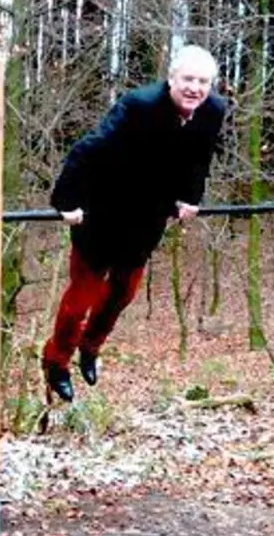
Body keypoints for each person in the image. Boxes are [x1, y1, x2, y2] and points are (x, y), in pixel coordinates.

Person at [40, 44, 229, 403]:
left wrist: (191, 197)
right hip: (102, 210)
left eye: (203, 81)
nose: (195, 88)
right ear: (171, 79)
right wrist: (66, 202)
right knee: (81, 299)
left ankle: (91, 347)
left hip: (147, 215)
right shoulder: (138, 106)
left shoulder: (213, 111)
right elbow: (86, 149)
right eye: (188, 79)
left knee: (123, 293)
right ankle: (56, 361)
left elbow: (200, 158)